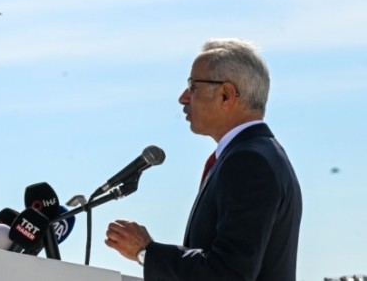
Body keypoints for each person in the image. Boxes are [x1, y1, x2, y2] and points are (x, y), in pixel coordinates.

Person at [105, 38, 302, 280]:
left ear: (226, 95)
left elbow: (229, 274)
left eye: (193, 86)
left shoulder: (249, 161)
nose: (183, 98)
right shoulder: (258, 154)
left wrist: (147, 252)